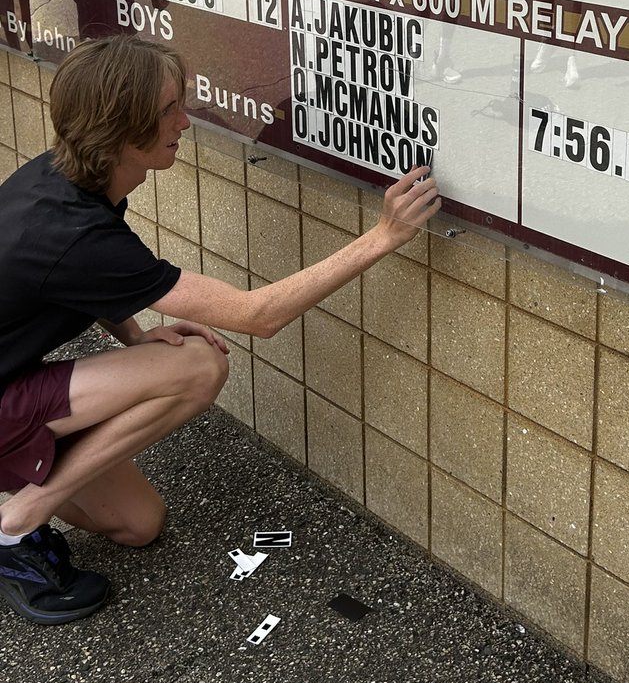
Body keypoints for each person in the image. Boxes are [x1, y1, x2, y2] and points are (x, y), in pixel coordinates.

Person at [0, 36, 441, 624]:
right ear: (119, 129)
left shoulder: (66, 178)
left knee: (138, 524)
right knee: (198, 365)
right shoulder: (73, 232)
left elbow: (82, 280)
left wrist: (135, 338)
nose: (184, 122)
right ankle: (16, 524)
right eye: (167, 111)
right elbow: (259, 315)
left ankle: (21, 501)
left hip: (12, 380)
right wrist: (383, 236)